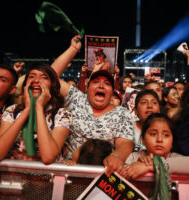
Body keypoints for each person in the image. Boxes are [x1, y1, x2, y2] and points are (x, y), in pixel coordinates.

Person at [51, 35, 134, 177]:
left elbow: (125, 143)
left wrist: (117, 157)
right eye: (96, 82)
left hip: (103, 175)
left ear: (112, 91)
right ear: (88, 88)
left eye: (107, 83)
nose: (101, 85)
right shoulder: (76, 98)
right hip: (68, 174)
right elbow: (50, 76)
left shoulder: (122, 113)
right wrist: (72, 50)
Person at [0, 63, 71, 164]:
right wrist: (27, 110)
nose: (36, 80)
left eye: (44, 77)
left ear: (52, 86)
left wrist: (39, 108)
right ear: (25, 85)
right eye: (32, 76)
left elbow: (48, 157)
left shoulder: (61, 114)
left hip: (45, 178)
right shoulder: (13, 111)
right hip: (13, 176)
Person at [120, 113, 189, 179]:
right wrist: (137, 164)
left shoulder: (173, 157)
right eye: (153, 134)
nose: (159, 139)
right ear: (143, 139)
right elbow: (121, 172)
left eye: (166, 135)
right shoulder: (134, 157)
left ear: (172, 141)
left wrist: (152, 165)